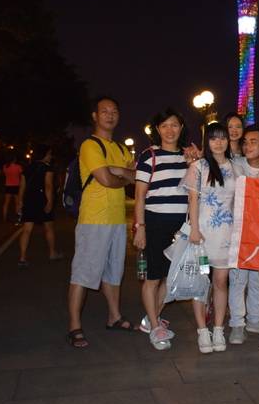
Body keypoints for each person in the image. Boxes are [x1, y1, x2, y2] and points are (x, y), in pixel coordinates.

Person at [67, 96, 136, 349]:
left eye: (114, 111)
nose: (110, 115)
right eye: (104, 111)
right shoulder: (90, 145)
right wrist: (120, 173)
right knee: (83, 272)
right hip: (93, 220)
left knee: (114, 272)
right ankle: (74, 326)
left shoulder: (121, 148)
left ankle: (114, 317)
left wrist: (117, 171)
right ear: (95, 116)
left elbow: (134, 176)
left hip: (117, 220)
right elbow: (106, 179)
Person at [133, 108, 192, 351]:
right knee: (153, 277)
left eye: (174, 125)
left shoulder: (188, 156)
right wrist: (140, 228)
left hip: (181, 226)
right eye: (165, 125)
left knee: (170, 276)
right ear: (158, 129)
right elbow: (139, 196)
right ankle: (156, 327)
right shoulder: (149, 156)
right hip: (155, 222)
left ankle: (153, 319)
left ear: (181, 128)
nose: (170, 130)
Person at [182, 122, 240, 354]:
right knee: (201, 282)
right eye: (214, 138)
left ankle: (218, 328)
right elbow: (193, 200)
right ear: (207, 141)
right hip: (203, 235)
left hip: (226, 235)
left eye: (223, 138)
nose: (219, 142)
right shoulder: (199, 167)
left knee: (221, 281)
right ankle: (202, 331)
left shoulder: (235, 167)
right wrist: (195, 230)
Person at [228, 124, 259, 344]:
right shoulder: (235, 165)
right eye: (245, 142)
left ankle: (255, 319)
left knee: (257, 280)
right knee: (237, 279)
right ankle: (237, 324)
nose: (248, 146)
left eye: (254, 142)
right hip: (238, 232)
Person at [17, 144, 62, 266]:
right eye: (49, 154)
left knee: (26, 229)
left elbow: (22, 187)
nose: (50, 156)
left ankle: (22, 257)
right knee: (48, 227)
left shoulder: (27, 168)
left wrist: (20, 201)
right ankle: (52, 253)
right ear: (44, 154)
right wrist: (50, 201)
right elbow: (48, 186)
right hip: (42, 199)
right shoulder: (47, 168)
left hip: (29, 199)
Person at [2, 155, 23, 222]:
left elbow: (5, 175)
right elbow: (21, 175)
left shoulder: (5, 166)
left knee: (6, 203)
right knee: (17, 203)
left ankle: (4, 217)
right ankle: (18, 217)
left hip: (8, 185)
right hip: (16, 185)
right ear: (14, 159)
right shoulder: (18, 167)